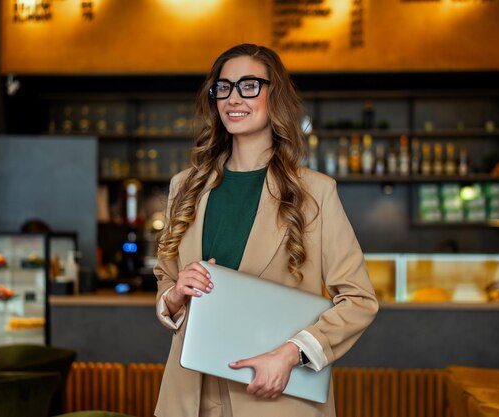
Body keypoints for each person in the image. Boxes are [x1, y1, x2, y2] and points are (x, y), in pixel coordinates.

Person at [154, 43, 378, 417]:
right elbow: (165, 277)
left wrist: (292, 354)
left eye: (249, 85)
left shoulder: (315, 193)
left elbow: (359, 300)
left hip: (275, 399)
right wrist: (175, 295)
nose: (233, 98)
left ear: (276, 96)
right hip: (188, 397)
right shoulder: (185, 186)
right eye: (223, 87)